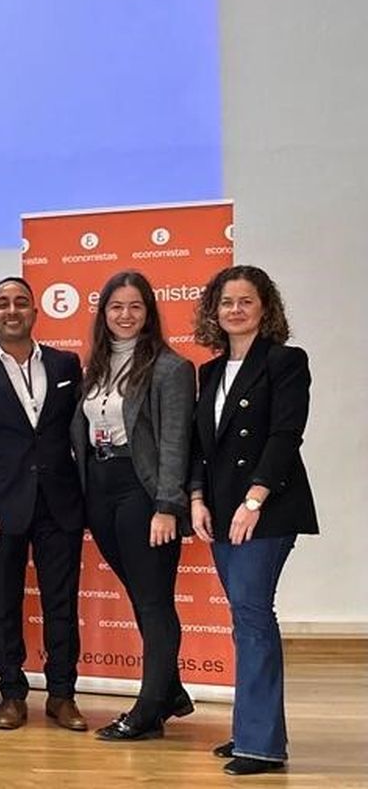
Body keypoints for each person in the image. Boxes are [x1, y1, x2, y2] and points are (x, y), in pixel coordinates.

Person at [0, 277, 88, 733]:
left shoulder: (67, 364)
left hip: (59, 506)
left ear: (34, 312)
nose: (12, 311)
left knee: (61, 604)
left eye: (21, 303)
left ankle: (63, 696)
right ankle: (11, 693)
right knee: (2, 605)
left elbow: (78, 437)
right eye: (2, 304)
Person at [188, 265, 316, 776]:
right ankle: (252, 731)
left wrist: (255, 499)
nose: (235, 310)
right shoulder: (211, 371)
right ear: (214, 312)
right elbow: (202, 445)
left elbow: (286, 435)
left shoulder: (286, 362)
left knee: (254, 615)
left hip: (266, 509)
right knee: (245, 620)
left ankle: (261, 746)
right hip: (219, 512)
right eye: (226, 302)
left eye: (245, 301)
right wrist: (197, 498)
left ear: (266, 307)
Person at [69, 270, 197, 742]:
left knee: (153, 599)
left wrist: (168, 505)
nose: (125, 316)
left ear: (149, 313)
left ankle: (147, 712)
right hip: (100, 489)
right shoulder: (96, 366)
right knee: (143, 595)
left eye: (135, 307)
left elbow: (175, 444)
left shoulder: (170, 368)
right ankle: (171, 691)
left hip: (143, 493)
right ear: (104, 314)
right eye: (116, 307)